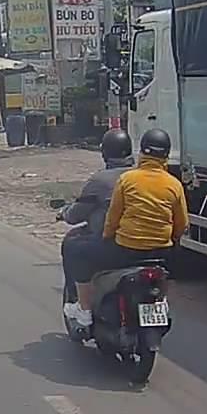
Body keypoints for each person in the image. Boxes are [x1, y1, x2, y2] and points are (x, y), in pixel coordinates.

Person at [63, 128, 189, 327]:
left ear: (142, 152)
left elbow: (113, 218)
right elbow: (181, 224)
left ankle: (84, 310)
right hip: (161, 253)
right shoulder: (174, 184)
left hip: (127, 250)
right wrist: (170, 241)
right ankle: (161, 301)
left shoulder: (126, 179)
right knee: (170, 269)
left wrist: (107, 237)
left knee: (77, 251)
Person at [59, 129, 134, 333]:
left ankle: (82, 307)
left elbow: (77, 214)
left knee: (73, 246)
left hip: (113, 243)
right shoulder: (143, 176)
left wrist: (64, 213)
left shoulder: (100, 180)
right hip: (152, 244)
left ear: (104, 153)